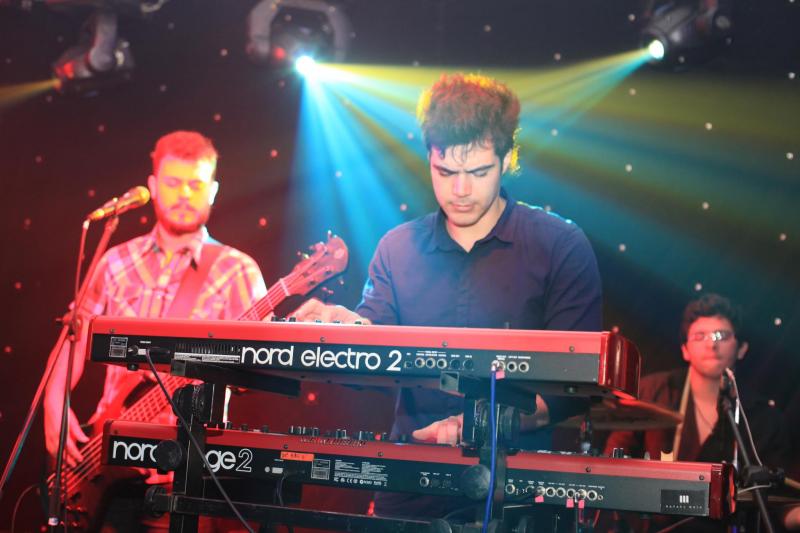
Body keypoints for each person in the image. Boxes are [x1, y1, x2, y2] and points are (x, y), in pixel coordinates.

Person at [293, 73, 603, 519]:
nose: (460, 191)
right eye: (446, 172)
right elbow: (369, 358)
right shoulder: (397, 248)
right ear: (429, 159)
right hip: (408, 490)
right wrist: (341, 329)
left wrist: (479, 427)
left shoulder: (560, 246)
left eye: (478, 172)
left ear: (507, 159)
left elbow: (574, 388)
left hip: (517, 492)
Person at [43, 130, 267, 528]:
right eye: (174, 182)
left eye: (196, 184)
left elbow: (263, 365)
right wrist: (54, 405)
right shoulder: (114, 262)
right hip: (104, 461)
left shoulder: (237, 270)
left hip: (184, 474)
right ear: (153, 185)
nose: (184, 194)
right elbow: (72, 340)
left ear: (213, 191)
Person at [603, 293, 791, 531]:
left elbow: (780, 503)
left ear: (741, 349)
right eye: (700, 336)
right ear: (685, 349)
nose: (712, 344)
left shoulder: (765, 418)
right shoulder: (652, 392)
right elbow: (611, 465)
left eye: (721, 336)